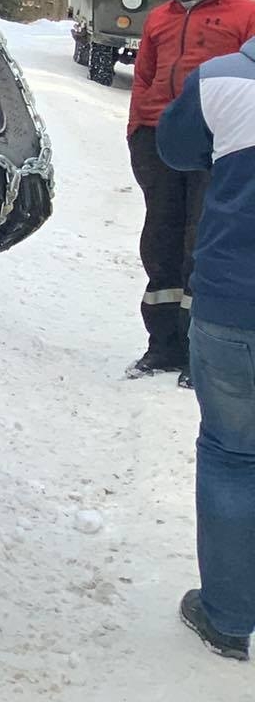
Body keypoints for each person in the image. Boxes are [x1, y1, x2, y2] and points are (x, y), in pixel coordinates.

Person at [152, 37, 255, 661]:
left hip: (232, 304)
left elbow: (176, 148)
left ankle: (228, 616)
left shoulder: (220, 78)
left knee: (232, 456)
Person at [126, 0, 255, 379]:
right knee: (160, 239)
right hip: (158, 138)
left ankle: (201, 351)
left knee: (203, 242)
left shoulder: (246, 13)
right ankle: (163, 345)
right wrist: (136, 128)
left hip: (219, 143)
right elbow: (143, 76)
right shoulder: (159, 18)